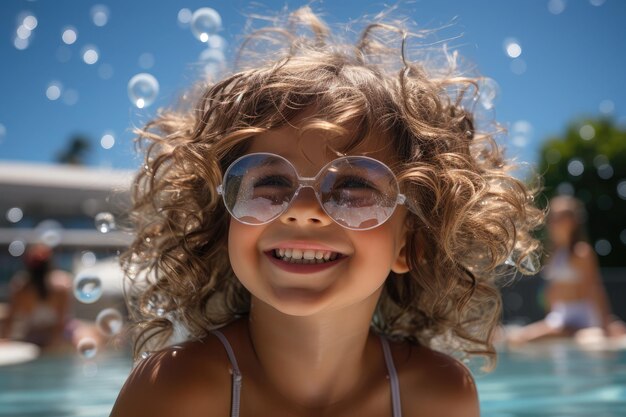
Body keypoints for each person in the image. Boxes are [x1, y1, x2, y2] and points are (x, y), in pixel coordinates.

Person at [110, 7, 542, 417]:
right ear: (226, 218)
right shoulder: (176, 390)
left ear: (411, 243)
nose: (303, 211)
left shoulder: (435, 396)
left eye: (353, 187)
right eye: (269, 183)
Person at [508, 195, 626, 345]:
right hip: (560, 318)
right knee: (518, 339)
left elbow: (595, 289)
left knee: (590, 341)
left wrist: (605, 324)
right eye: (553, 218)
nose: (554, 223)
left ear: (573, 222)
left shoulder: (582, 253)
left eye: (560, 218)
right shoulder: (553, 255)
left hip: (582, 317)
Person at [0, 243, 73, 349]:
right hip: (34, 337)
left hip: (57, 335)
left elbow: (61, 324)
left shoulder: (60, 287)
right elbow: (10, 319)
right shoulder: (20, 288)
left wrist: (54, 344)